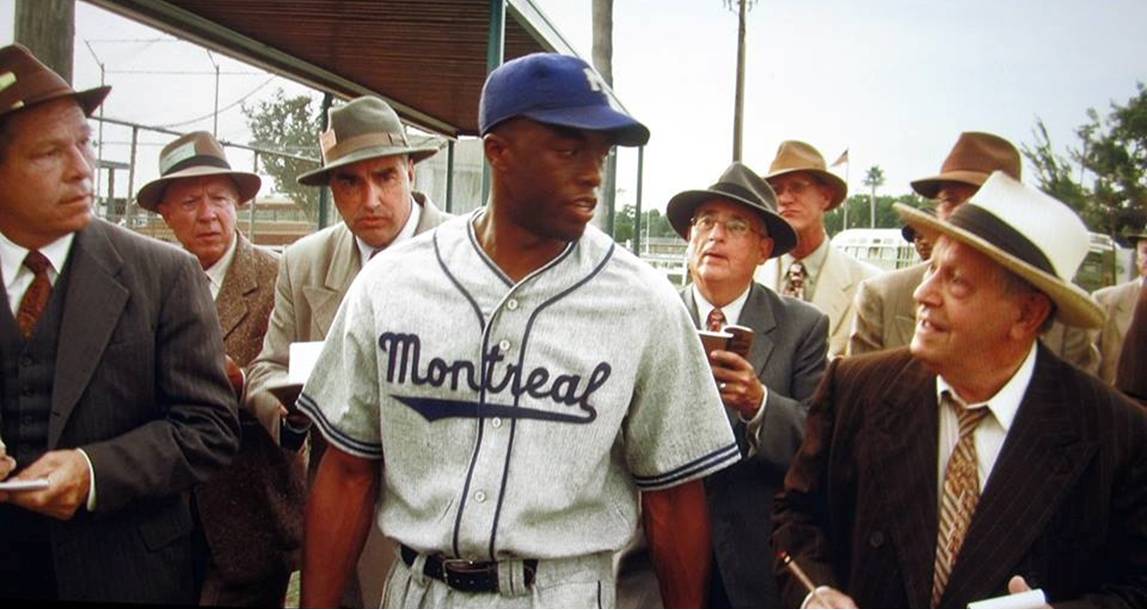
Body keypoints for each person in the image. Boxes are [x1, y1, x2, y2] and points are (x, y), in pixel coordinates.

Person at [297, 52, 739, 608]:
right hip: (419, 587)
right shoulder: (392, 282)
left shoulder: (643, 301)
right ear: (498, 152)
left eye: (600, 153)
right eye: (567, 148)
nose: (592, 173)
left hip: (564, 590)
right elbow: (346, 471)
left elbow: (674, 498)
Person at [772, 171, 1147, 608]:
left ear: (1026, 315)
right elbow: (796, 517)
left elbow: (1137, 587)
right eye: (932, 270)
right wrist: (813, 590)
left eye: (957, 282)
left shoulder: (1117, 436)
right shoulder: (856, 389)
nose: (923, 294)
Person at [0, 44, 238, 604]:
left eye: (83, 143)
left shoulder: (163, 275)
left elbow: (210, 429)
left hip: (125, 579)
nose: (82, 169)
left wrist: (94, 471)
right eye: (48, 154)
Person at [244, 94, 450, 606]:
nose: (371, 198)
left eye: (385, 177)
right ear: (332, 189)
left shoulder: (464, 254)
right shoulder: (303, 262)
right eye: (350, 182)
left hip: (441, 512)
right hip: (339, 504)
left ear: (411, 173)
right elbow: (264, 370)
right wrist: (290, 416)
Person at [137, 131, 305, 607]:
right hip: (163, 516)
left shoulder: (280, 279)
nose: (208, 214)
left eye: (220, 199)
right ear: (165, 213)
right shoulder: (142, 285)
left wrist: (242, 383)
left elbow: (299, 384)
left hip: (252, 517)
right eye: (190, 201)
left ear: (238, 205)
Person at [669, 162, 829, 607]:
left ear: (764, 249)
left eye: (736, 225)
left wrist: (760, 404)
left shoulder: (803, 327)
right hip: (656, 557)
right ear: (688, 237)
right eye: (706, 221)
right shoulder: (652, 315)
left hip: (755, 561)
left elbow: (819, 444)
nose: (716, 235)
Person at [848, 132, 1098, 374]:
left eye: (981, 202)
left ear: (1032, 314)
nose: (963, 217)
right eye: (949, 200)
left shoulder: (1064, 325)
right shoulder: (882, 297)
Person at [754, 140, 879, 358]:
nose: (785, 198)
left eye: (797, 187)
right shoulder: (748, 277)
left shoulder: (869, 285)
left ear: (825, 197)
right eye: (776, 190)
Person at [1092, 228, 1147, 397]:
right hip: (1114, 408)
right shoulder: (1106, 301)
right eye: (1145, 251)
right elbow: (1085, 364)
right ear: (1136, 256)